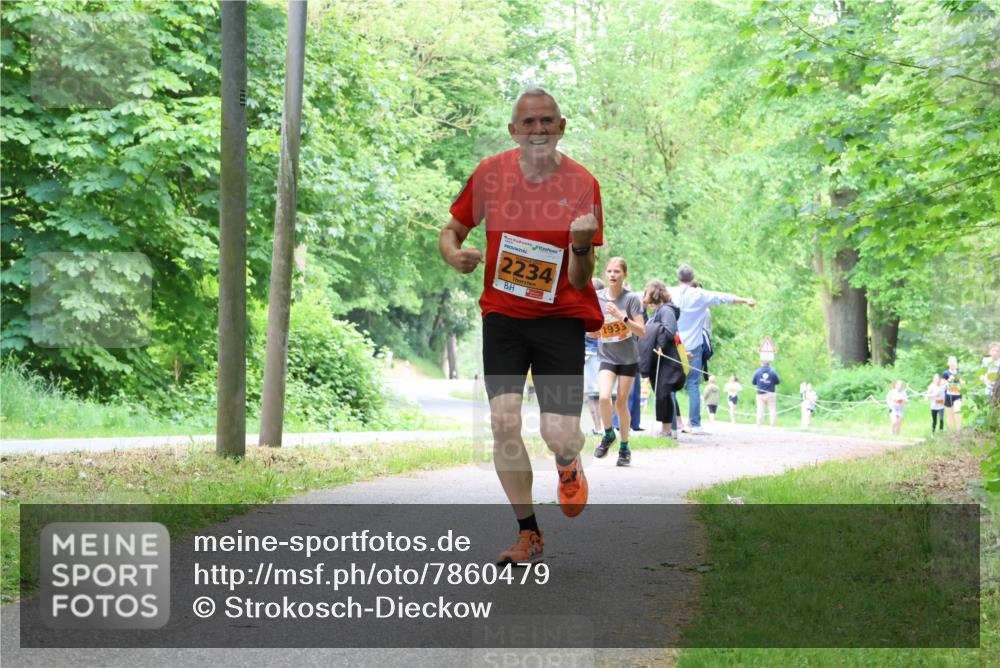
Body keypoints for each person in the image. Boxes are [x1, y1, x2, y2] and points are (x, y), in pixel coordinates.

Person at [439, 86, 602, 564]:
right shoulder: (490, 174)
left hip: (560, 318)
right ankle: (528, 532)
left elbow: (580, 277)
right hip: (504, 316)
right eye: (528, 123)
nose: (538, 130)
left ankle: (569, 462)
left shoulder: (582, 184)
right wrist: (454, 255)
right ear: (513, 130)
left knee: (559, 434)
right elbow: (450, 231)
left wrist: (580, 246)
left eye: (547, 121)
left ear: (562, 127)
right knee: (503, 421)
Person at [672, 264, 755, 434]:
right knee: (693, 384)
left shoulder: (670, 293)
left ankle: (671, 423)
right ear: (692, 278)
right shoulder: (701, 295)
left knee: (670, 385)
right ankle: (695, 425)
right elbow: (723, 297)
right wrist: (745, 300)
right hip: (694, 346)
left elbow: (646, 295)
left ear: (678, 278)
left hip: (675, 345)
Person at [592, 257, 645, 467]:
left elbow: (641, 331)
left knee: (621, 402)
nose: (613, 275)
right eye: (610, 271)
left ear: (625, 275)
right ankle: (608, 434)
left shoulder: (631, 299)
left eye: (617, 272)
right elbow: (594, 326)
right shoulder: (597, 297)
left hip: (628, 358)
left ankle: (624, 447)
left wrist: (622, 317)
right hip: (607, 355)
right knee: (604, 397)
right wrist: (593, 331)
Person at [638, 279, 684, 438]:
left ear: (653, 293)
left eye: (647, 293)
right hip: (658, 360)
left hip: (668, 360)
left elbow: (669, 331)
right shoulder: (657, 312)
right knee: (661, 393)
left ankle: (667, 429)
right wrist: (643, 309)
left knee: (664, 393)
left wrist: (659, 344)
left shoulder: (666, 310)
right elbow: (645, 329)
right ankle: (668, 428)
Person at [583, 278, 605, 435]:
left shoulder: (587, 307)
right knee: (604, 393)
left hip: (591, 354)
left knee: (593, 394)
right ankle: (604, 426)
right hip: (604, 354)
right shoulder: (608, 306)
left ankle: (599, 426)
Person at [751, 360, 780, 426]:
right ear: (769, 364)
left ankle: (759, 424)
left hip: (760, 393)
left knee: (760, 409)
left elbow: (753, 382)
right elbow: (778, 382)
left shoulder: (757, 372)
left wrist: (760, 382)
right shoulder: (773, 372)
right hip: (771, 393)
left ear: (761, 364)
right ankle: (772, 424)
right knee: (772, 409)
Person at [942, 356, 965, 430]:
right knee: (950, 415)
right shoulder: (945, 373)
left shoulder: (960, 372)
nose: (952, 363)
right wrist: (948, 380)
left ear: (956, 363)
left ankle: (958, 430)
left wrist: (962, 382)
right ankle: (951, 431)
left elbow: (964, 383)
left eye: (954, 361)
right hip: (948, 396)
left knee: (958, 410)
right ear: (948, 363)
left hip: (958, 395)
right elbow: (942, 384)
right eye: (951, 361)